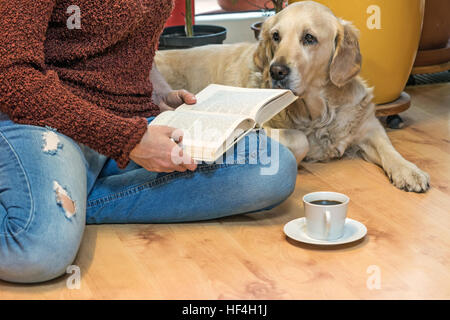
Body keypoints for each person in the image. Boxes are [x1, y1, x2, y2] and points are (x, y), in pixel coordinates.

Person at [0, 0, 297, 283]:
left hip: (131, 123)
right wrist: (128, 141)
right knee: (36, 251)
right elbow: (13, 78)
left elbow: (131, 40)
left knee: (269, 164)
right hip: (46, 123)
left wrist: (158, 93)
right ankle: (55, 212)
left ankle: (69, 206)